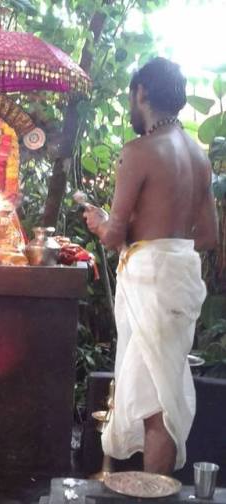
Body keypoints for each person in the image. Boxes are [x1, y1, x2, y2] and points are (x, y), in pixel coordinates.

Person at [83, 57, 218, 475]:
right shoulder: (199, 157)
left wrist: (99, 220)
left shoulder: (138, 152)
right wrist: (165, 243)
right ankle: (151, 487)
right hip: (179, 274)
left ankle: (153, 492)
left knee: (156, 402)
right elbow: (210, 237)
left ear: (141, 93)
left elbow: (112, 235)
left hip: (151, 279)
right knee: (163, 391)